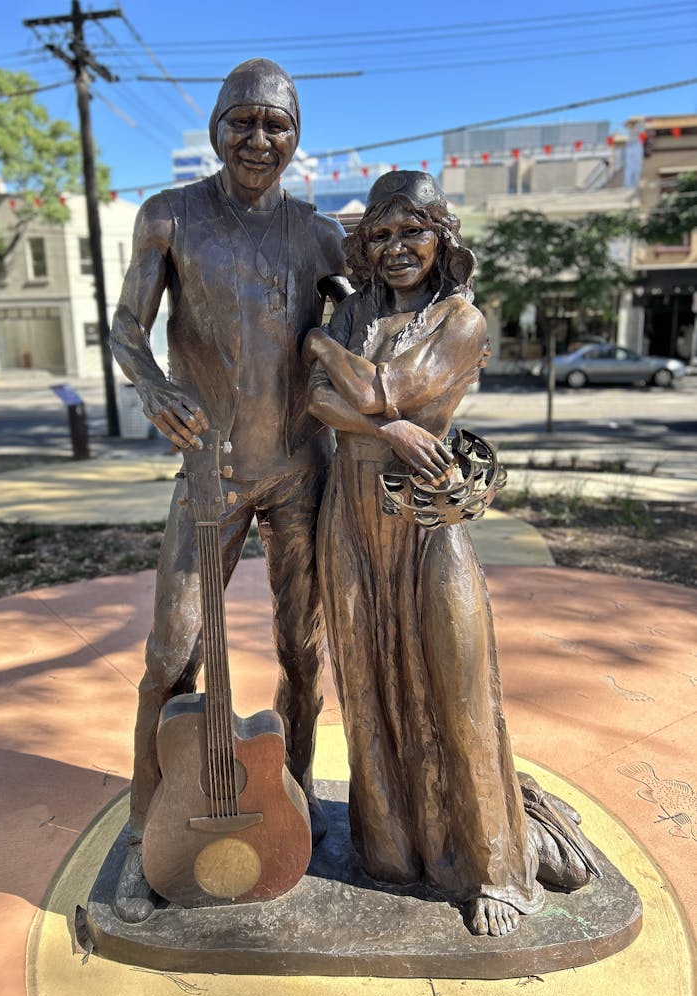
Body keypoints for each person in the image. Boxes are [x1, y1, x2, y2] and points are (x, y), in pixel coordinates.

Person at [304, 171, 598, 938]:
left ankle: (494, 866)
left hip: (426, 516)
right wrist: (387, 427)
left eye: (413, 231)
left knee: (457, 684)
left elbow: (383, 386)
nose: (396, 248)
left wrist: (322, 347)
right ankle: (391, 845)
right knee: (364, 679)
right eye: (380, 235)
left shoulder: (461, 319)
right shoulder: (357, 311)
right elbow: (318, 400)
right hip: (351, 511)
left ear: (442, 238)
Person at [109, 58, 350, 923]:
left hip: (300, 469)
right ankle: (148, 824)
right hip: (208, 469)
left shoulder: (320, 235)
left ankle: (295, 794)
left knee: (302, 648)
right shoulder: (169, 215)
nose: (258, 137)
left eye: (275, 123)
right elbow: (127, 327)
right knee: (171, 653)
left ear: (296, 137)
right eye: (241, 120)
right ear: (216, 128)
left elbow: (364, 329)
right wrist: (153, 389)